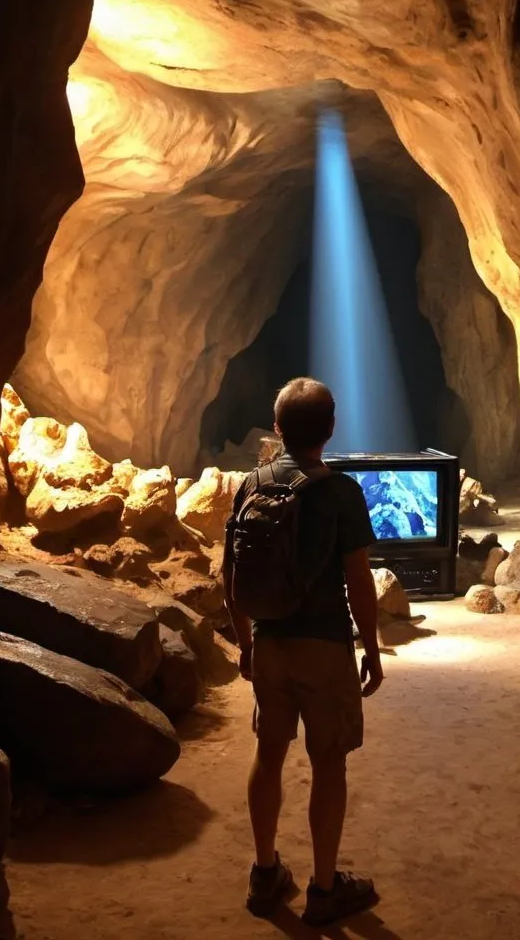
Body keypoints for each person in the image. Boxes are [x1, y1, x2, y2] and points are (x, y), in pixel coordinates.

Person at [223, 377, 385, 926]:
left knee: (268, 754)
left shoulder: (251, 484)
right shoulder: (340, 492)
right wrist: (373, 649)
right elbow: (358, 580)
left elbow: (231, 573)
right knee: (328, 763)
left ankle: (265, 873)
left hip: (270, 643)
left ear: (277, 429)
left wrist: (246, 642)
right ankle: (323, 888)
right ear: (331, 429)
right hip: (323, 649)